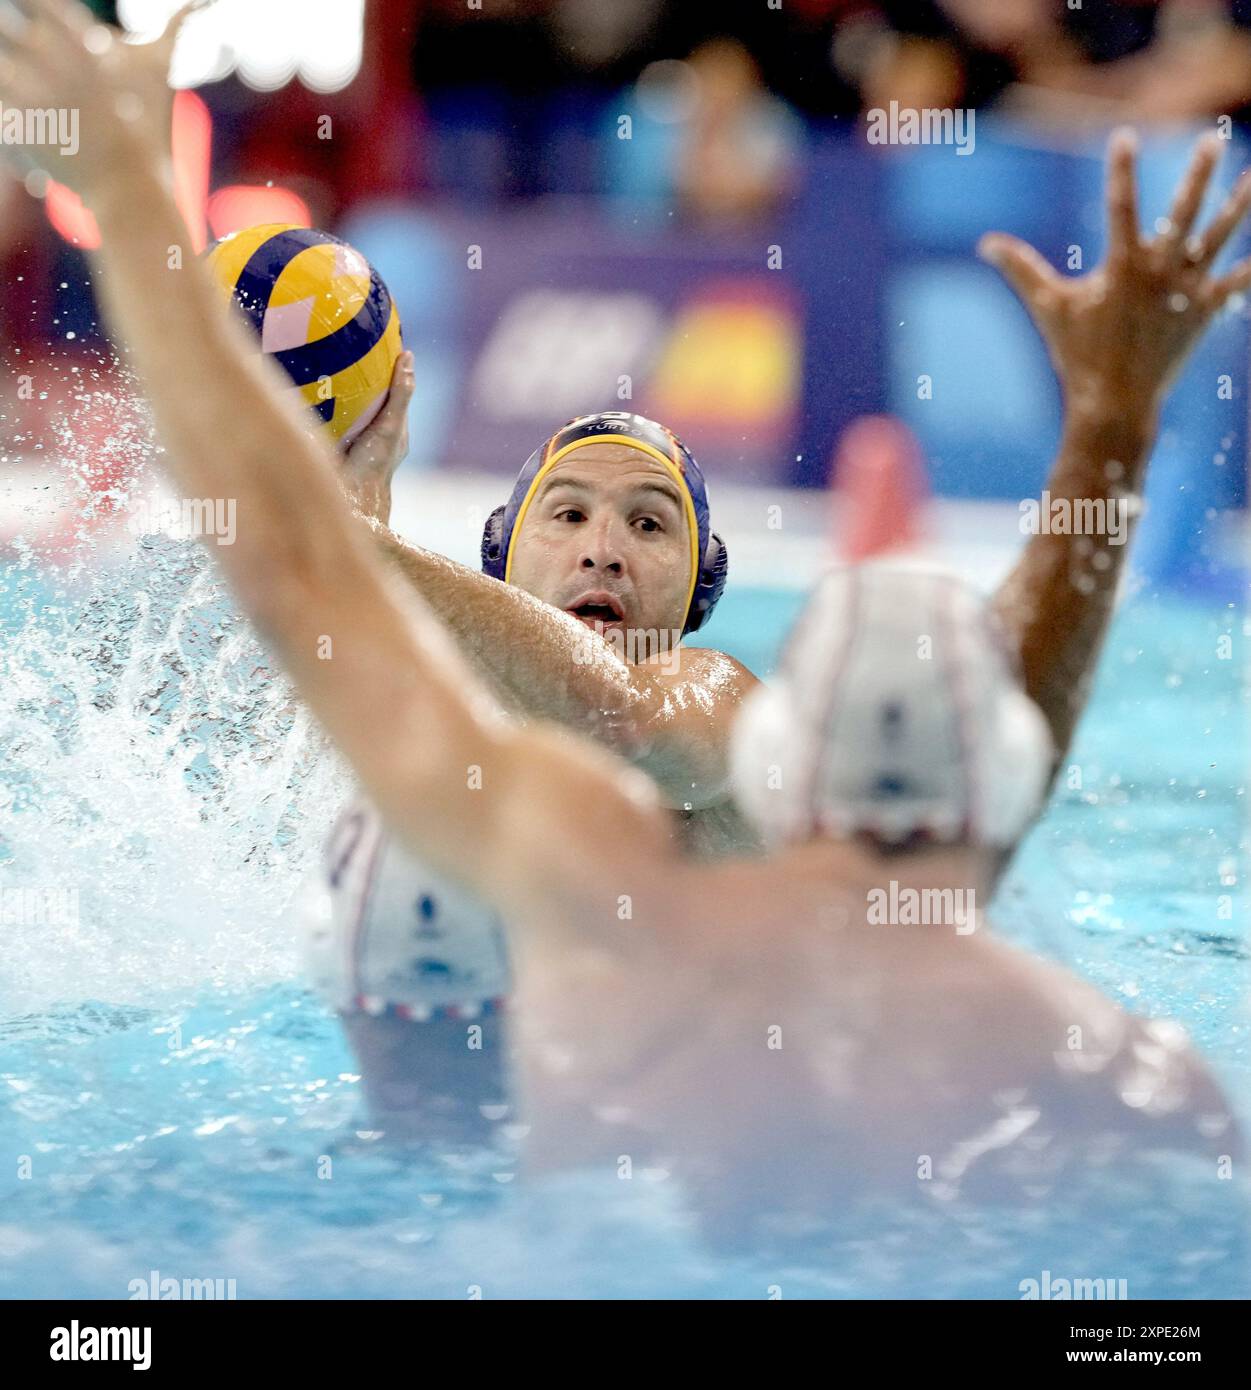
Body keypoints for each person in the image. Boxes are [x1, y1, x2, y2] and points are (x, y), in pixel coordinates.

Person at [5, 0, 1248, 1172]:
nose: (605, 545)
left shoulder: (699, 702)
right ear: (501, 559)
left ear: (695, 591)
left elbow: (626, 717)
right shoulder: (442, 737)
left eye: (651, 523)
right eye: (572, 513)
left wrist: (340, 527)